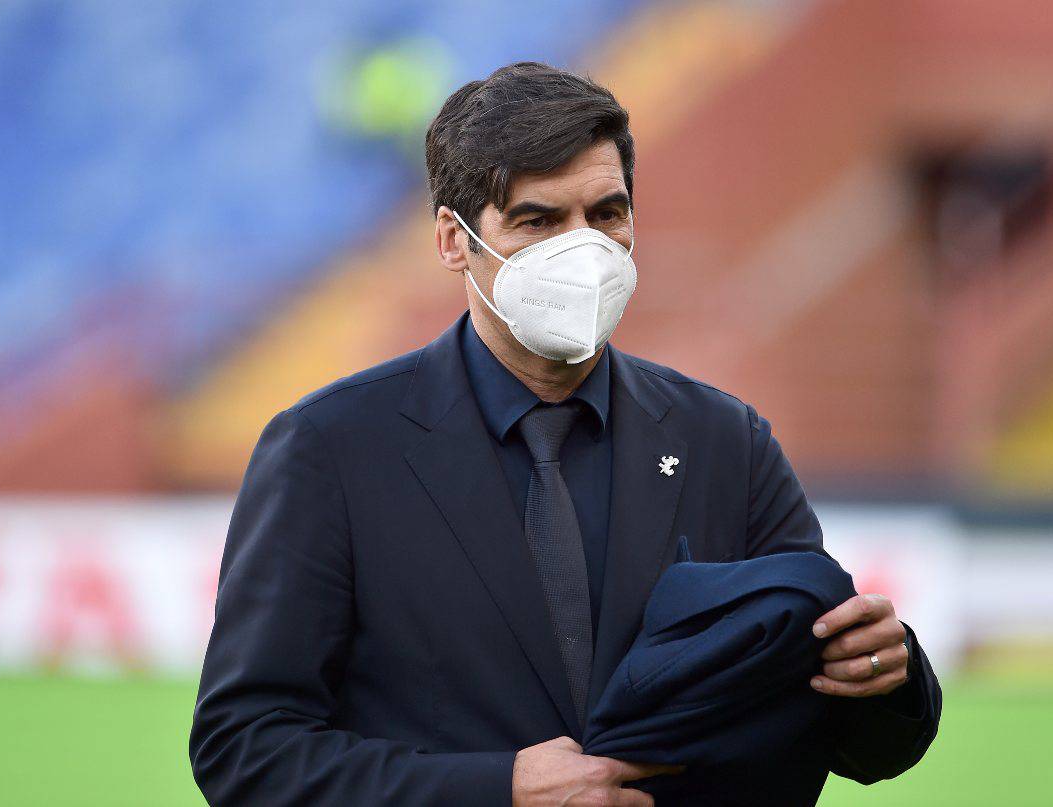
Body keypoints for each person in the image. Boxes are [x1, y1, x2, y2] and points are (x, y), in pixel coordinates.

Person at [189, 61, 940, 806]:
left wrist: (885, 672)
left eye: (607, 214)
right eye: (538, 220)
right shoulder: (329, 448)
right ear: (453, 240)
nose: (584, 249)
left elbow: (852, 732)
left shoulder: (725, 440)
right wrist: (496, 791)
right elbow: (245, 748)